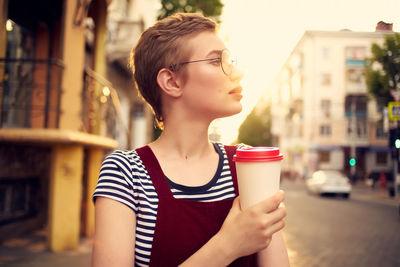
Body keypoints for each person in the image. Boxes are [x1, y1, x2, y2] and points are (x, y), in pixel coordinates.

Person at [91, 13, 289, 267]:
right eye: (217, 61)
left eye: (230, 60)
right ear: (171, 81)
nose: (237, 73)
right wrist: (228, 245)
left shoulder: (247, 163)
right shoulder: (125, 172)